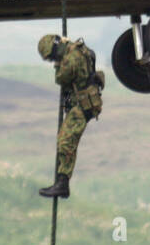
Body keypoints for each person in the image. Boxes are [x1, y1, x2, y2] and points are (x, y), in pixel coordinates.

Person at [37, 33, 104, 198]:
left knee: (66, 142)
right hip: (83, 102)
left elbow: (61, 78)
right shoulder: (81, 50)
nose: (53, 61)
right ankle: (62, 182)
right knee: (66, 140)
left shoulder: (70, 59)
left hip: (83, 105)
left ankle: (62, 184)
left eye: (52, 58)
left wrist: (58, 65)